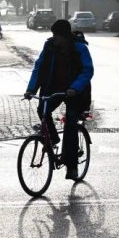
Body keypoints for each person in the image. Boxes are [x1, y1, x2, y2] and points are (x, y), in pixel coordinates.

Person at [24, 19, 94, 180]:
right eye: (53, 34)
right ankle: (53, 138)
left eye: (57, 35)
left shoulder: (79, 48)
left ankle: (72, 167)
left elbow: (87, 70)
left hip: (75, 92)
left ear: (65, 36)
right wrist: (30, 89)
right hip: (53, 89)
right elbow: (39, 67)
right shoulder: (50, 47)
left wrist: (75, 88)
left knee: (70, 124)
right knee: (42, 110)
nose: (54, 38)